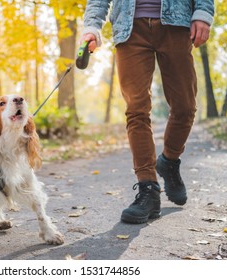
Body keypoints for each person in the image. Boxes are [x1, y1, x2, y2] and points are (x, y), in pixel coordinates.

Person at [81, 0, 214, 224]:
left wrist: (203, 12)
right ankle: (148, 188)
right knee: (136, 110)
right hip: (129, 28)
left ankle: (169, 161)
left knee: (185, 106)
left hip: (176, 23)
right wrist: (92, 27)